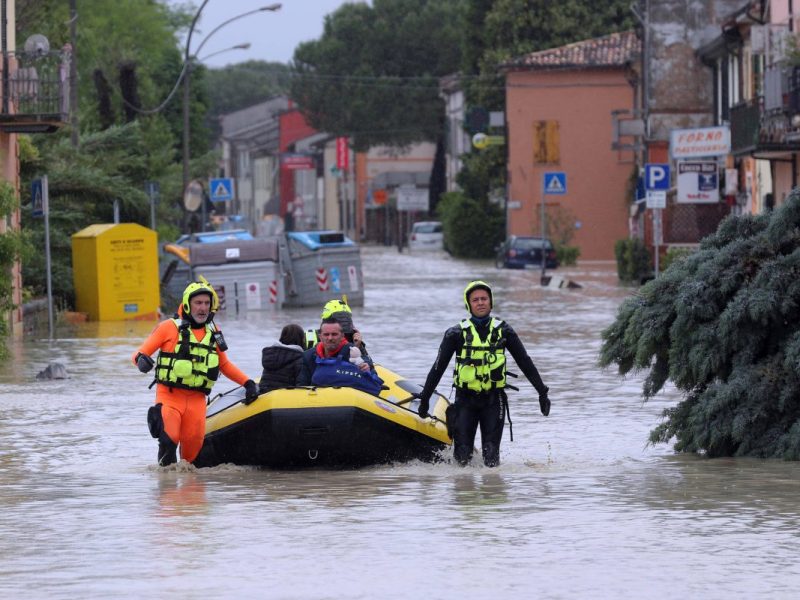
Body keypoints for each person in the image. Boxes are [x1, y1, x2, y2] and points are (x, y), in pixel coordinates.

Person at [416, 280, 551, 467]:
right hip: (465, 401)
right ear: (468, 304)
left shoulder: (504, 331)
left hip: (493, 401)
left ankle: (492, 492)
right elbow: (437, 368)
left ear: (490, 302)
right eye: (475, 300)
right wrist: (425, 399)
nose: (480, 302)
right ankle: (464, 492)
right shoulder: (454, 334)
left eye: (484, 299)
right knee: (462, 457)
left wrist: (542, 392)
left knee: (491, 457)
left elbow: (524, 362)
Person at [132, 280, 258, 466]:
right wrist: (142, 361)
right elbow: (139, 354)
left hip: (197, 401)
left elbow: (224, 364)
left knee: (191, 454)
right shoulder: (168, 327)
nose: (203, 308)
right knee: (169, 439)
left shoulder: (214, 332)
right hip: (169, 396)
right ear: (187, 305)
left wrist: (247, 383)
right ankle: (166, 489)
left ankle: (189, 493)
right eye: (198, 303)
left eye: (207, 303)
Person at [297, 317, 382, 394]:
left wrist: (367, 370)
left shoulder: (353, 352)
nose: (330, 338)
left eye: (334, 334)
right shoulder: (308, 356)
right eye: (326, 334)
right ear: (320, 337)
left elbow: (373, 379)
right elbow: (302, 386)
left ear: (342, 336)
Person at [257, 323, 305, 395]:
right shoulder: (299, 359)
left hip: (264, 396)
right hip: (285, 399)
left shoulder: (271, 355)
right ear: (301, 339)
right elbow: (301, 385)